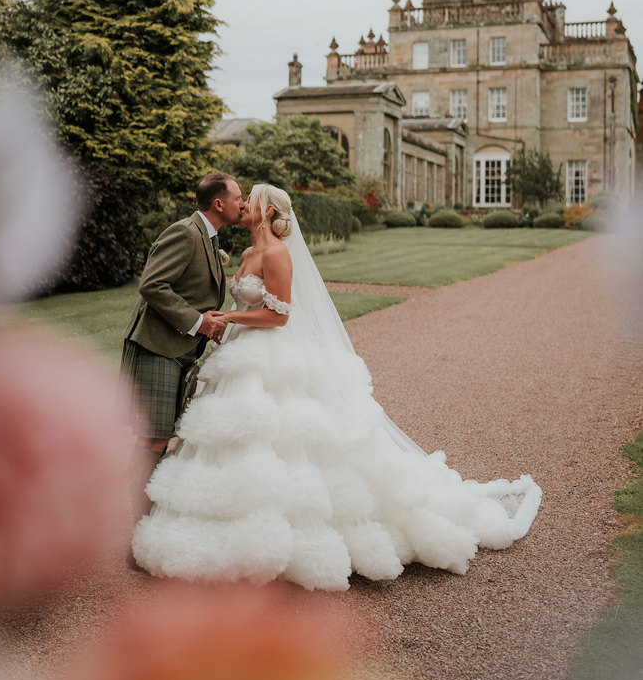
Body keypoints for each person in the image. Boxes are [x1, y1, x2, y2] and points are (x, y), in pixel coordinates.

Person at [132, 183, 541, 590]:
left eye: (251, 199)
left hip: (270, 353)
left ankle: (297, 530)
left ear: (269, 212)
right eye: (242, 197)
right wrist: (225, 319)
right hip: (239, 354)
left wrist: (230, 319)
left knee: (286, 436)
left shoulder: (276, 253)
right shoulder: (245, 253)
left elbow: (280, 316)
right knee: (233, 437)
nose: (245, 204)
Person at [120, 172, 245, 518]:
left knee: (159, 439)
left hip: (176, 350)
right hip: (157, 348)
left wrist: (207, 323)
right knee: (153, 440)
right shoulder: (186, 233)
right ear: (219, 204)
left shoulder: (209, 236)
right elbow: (152, 285)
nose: (243, 203)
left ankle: (144, 520)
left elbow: (189, 291)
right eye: (238, 198)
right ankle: (138, 529)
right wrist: (200, 322)